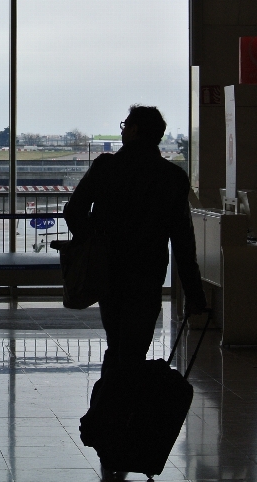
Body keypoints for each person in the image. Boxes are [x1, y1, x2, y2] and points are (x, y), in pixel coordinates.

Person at [64, 105, 206, 378]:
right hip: (148, 273)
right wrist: (194, 293)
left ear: (135, 130)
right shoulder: (173, 177)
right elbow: (183, 240)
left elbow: (74, 211)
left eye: (125, 125)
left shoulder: (106, 167)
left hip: (110, 270)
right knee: (133, 349)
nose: (123, 130)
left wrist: (92, 238)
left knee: (115, 343)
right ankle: (120, 410)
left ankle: (105, 413)